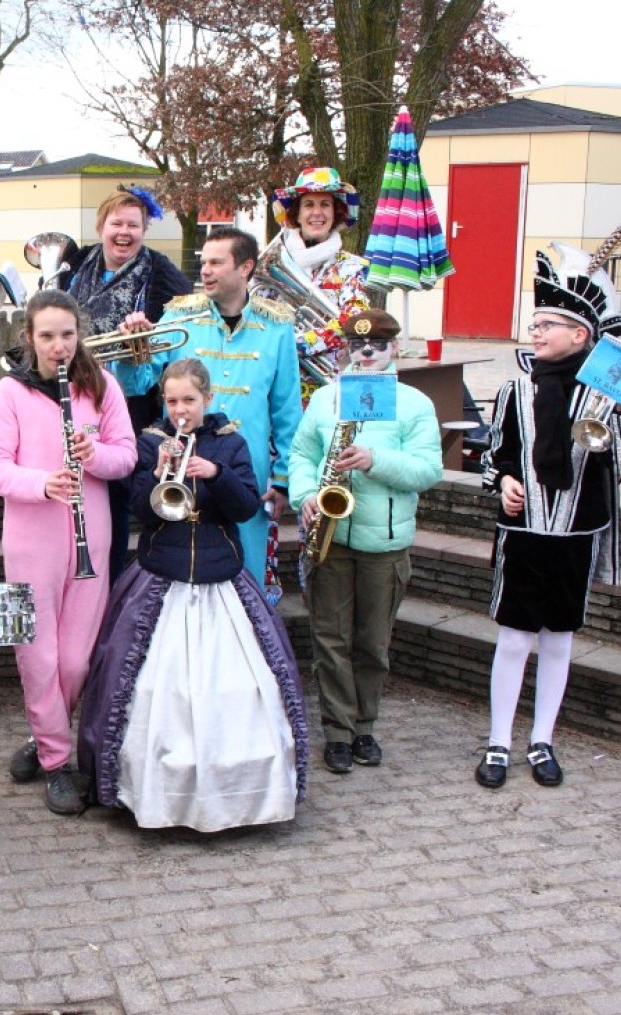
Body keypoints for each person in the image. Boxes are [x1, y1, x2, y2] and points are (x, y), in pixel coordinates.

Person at [77, 359, 307, 830]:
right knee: (152, 690)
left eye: (189, 400)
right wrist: (159, 472)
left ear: (208, 399)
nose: (180, 410)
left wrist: (217, 473)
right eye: (172, 401)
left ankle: (238, 798)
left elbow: (245, 508)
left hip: (221, 576)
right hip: (162, 573)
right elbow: (141, 510)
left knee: (240, 689)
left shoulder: (231, 443)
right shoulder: (150, 441)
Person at [476, 246, 621, 790]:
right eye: (534, 324)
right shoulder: (515, 390)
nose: (536, 332)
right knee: (513, 638)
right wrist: (504, 482)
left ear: (580, 334)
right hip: (523, 533)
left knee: (558, 640)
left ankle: (541, 739)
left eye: (546, 325)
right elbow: (495, 455)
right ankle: (498, 742)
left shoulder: (609, 392)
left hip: (576, 532)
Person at [0, 291, 136, 815]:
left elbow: (126, 456)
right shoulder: (11, 392)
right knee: (39, 657)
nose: (58, 345)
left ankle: (43, 737)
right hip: (32, 539)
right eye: (46, 336)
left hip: (93, 534)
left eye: (67, 334)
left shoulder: (102, 385)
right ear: (30, 338)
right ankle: (55, 761)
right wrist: (41, 483)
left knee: (74, 661)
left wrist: (98, 456)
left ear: (78, 334)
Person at [288, 309, 443, 775]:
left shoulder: (414, 403)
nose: (367, 352)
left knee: (372, 643)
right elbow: (302, 454)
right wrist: (305, 494)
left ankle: (364, 727)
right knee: (330, 640)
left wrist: (375, 460)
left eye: (377, 344)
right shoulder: (326, 399)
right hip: (330, 536)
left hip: (385, 543)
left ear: (394, 348)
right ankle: (337, 732)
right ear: (346, 350)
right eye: (358, 345)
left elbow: (428, 471)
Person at [153, 227, 301, 596]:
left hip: (248, 468)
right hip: (183, 463)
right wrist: (134, 351)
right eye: (204, 262)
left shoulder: (276, 325)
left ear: (245, 267)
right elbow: (139, 381)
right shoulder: (178, 315)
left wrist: (283, 480)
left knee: (246, 565)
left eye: (216, 263)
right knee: (182, 565)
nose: (205, 270)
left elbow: (286, 410)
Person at [65, 186, 193, 579]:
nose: (124, 232)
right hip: (75, 392)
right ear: (101, 226)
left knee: (118, 498)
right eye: (116, 223)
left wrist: (141, 339)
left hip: (133, 404)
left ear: (144, 230)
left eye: (133, 225)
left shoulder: (162, 275)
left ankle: (116, 582)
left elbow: (171, 348)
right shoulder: (77, 266)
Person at [264, 167, 371, 392]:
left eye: (325, 204)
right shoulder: (273, 263)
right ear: (297, 214)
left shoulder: (350, 267)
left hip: (328, 385)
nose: (317, 212)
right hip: (276, 381)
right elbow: (256, 313)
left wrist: (298, 344)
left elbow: (354, 319)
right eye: (309, 204)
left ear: (336, 213)